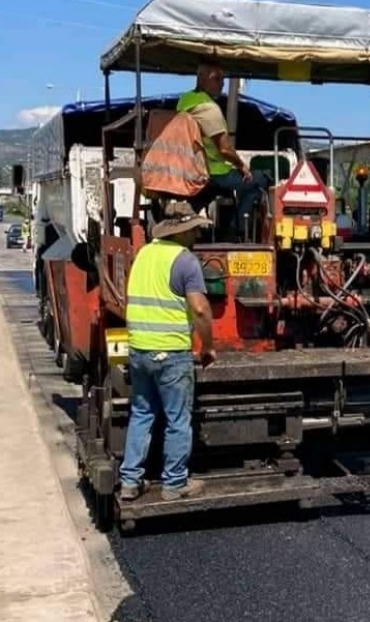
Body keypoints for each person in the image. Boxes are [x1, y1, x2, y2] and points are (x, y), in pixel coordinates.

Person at [119, 201, 217, 502]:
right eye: (195, 229)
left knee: (142, 413)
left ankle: (130, 481)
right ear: (182, 232)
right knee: (177, 419)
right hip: (171, 352)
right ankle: (174, 484)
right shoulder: (185, 260)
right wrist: (209, 347)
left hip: (139, 349)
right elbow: (200, 309)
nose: (197, 235)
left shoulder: (143, 254)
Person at [177, 59, 270, 239]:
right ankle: (237, 233)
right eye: (217, 79)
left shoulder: (184, 101)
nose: (222, 84)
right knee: (259, 180)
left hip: (194, 171)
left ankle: (199, 223)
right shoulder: (208, 108)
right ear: (201, 78)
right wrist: (242, 166)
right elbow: (225, 149)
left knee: (217, 192)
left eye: (222, 79)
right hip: (214, 173)